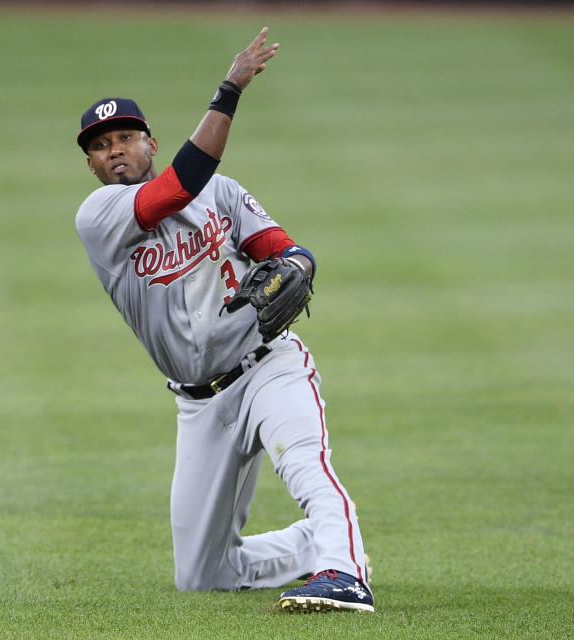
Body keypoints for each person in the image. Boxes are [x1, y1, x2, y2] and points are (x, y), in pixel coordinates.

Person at [74, 27, 373, 613]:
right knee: (203, 575)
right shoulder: (99, 216)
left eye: (127, 137)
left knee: (304, 460)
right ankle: (320, 545)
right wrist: (230, 88)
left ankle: (345, 572)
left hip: (267, 366)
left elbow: (283, 249)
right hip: (199, 404)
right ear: (90, 164)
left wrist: (299, 263)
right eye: (102, 144)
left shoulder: (226, 194)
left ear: (150, 142)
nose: (116, 150)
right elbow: (179, 186)